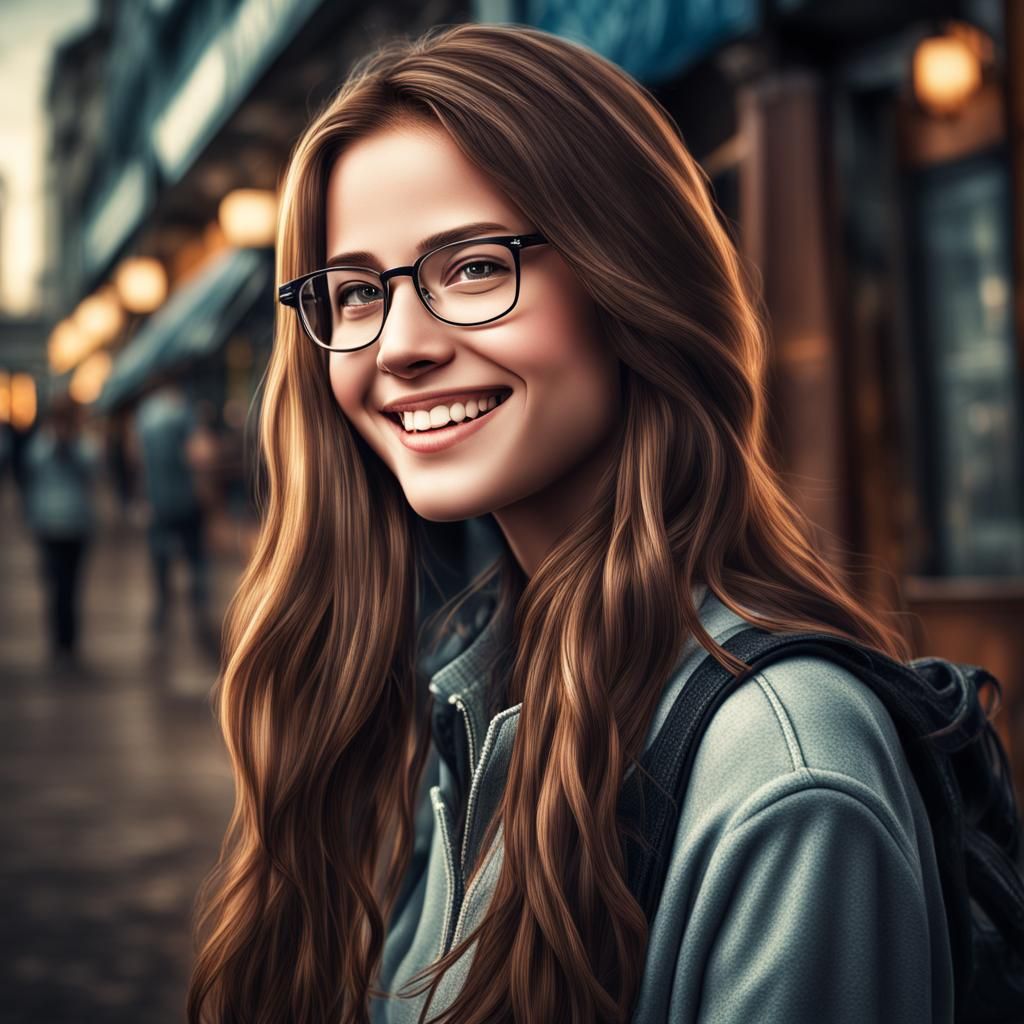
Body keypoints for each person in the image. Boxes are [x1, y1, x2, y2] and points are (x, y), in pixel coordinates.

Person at [188, 24, 954, 1024]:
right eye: (356, 291)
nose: (401, 346)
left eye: (469, 268)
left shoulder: (784, 769)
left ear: (626, 277)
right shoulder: (474, 692)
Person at [23, 394, 99, 667]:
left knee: (68, 585)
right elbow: (33, 469)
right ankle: (61, 639)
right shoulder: (44, 443)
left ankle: (67, 640)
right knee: (58, 585)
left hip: (71, 525)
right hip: (54, 525)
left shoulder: (79, 444)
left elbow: (91, 466)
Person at [134, 382, 212, 643]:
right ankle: (199, 609)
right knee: (195, 558)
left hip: (158, 500)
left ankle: (161, 611)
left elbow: (137, 457)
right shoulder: (183, 413)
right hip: (186, 498)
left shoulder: (145, 414)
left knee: (160, 559)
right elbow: (199, 455)